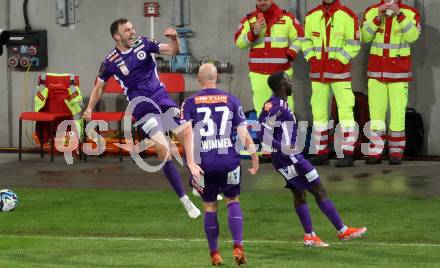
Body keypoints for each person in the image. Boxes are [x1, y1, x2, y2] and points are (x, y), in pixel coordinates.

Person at [83, 18, 202, 219]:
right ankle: (185, 200)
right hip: (143, 108)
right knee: (163, 149)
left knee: (185, 135)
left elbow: (172, 51)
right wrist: (89, 108)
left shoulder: (144, 43)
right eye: (127, 30)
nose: (132, 32)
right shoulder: (110, 61)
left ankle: (197, 181)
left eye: (132, 28)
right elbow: (100, 86)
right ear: (116, 36)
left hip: (162, 99)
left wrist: (175, 40)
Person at [258, 71, 366, 247]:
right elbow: (264, 135)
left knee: (299, 193)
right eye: (289, 81)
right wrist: (284, 148)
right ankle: (342, 230)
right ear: (282, 86)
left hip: (283, 159)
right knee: (319, 190)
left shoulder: (273, 104)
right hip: (290, 158)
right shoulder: (277, 107)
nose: (292, 83)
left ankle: (310, 235)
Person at [181, 63, 259, 266]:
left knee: (209, 207)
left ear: (199, 79)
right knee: (233, 201)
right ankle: (238, 245)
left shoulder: (189, 102)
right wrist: (253, 155)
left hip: (204, 162)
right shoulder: (232, 100)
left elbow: (187, 133)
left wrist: (190, 162)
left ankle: (215, 253)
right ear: (217, 78)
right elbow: (243, 132)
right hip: (229, 162)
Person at [302, 0, 361, 167]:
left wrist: (339, 60)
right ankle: (321, 153)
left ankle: (348, 153)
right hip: (318, 74)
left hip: (340, 73)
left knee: (345, 113)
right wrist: (312, 59)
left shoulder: (347, 16)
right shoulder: (312, 16)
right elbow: (305, 41)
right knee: (319, 113)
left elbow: (354, 43)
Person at [361, 0, 421, 165]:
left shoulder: (410, 12)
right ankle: (376, 151)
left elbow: (413, 37)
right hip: (376, 73)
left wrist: (399, 14)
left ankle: (396, 153)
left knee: (397, 114)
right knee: (376, 115)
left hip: (399, 74)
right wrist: (377, 17)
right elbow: (364, 37)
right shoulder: (372, 10)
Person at [234, 0, 304, 115]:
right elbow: (239, 43)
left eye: (265, 0)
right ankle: (264, 133)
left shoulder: (287, 18)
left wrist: (291, 53)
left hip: (281, 73)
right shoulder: (249, 20)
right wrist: (253, 33)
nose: (262, 2)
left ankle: (287, 133)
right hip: (258, 74)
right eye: (259, 0)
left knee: (286, 110)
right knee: (262, 111)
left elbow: (301, 37)